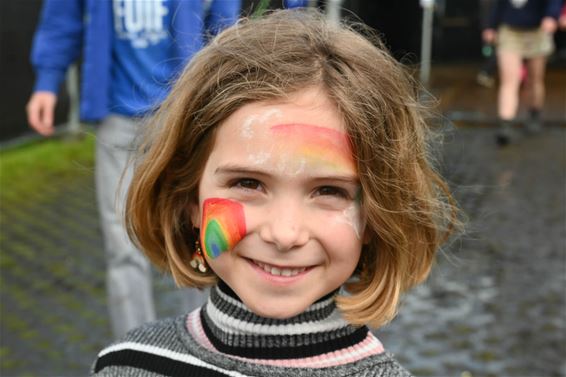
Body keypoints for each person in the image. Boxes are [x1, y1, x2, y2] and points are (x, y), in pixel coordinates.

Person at [91, 9, 459, 376]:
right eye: (248, 183)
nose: (284, 235)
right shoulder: (124, 365)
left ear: (377, 216)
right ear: (188, 198)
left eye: (329, 191)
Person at [26, 0, 241, 339]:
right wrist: (46, 82)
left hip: (181, 118)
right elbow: (62, 17)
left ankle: (202, 342)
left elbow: (224, 27)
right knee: (122, 248)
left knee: (193, 238)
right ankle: (134, 351)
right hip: (117, 121)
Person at [482, 0, 561, 146]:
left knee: (534, 80)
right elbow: (497, 4)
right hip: (510, 32)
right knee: (509, 81)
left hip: (537, 32)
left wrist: (551, 16)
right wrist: (490, 26)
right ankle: (505, 124)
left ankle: (534, 113)